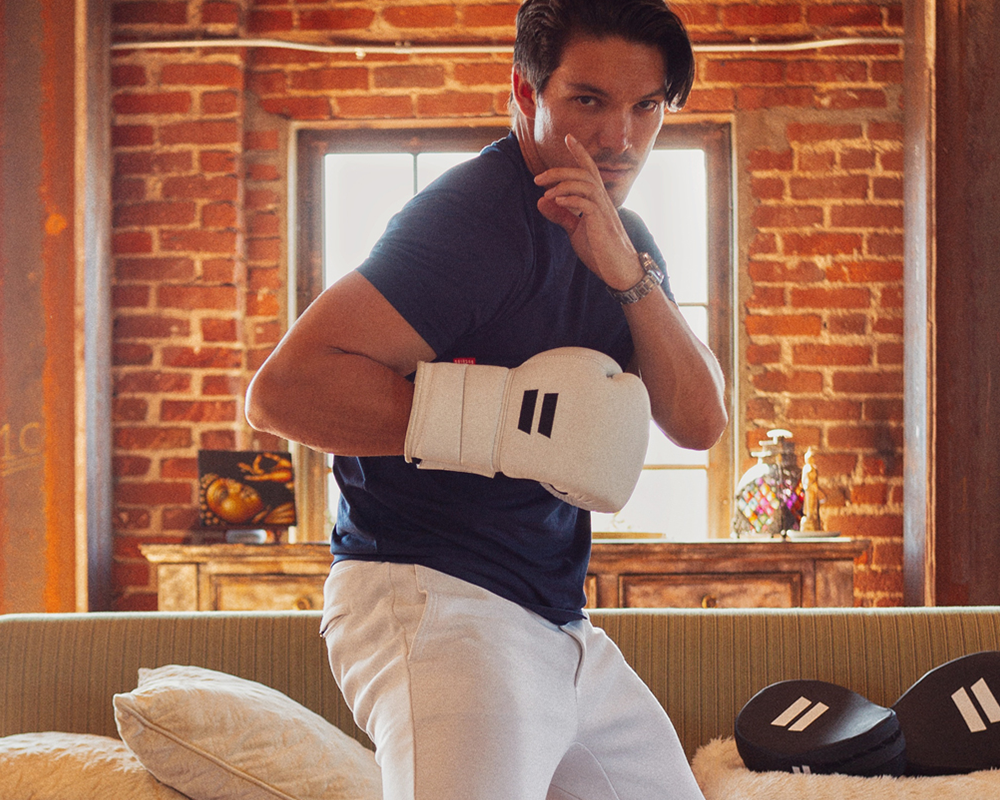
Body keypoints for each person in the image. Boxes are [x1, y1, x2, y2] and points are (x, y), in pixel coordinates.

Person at [245, 0, 727, 797]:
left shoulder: (623, 238)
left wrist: (628, 275)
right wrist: (511, 424)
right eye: (589, 100)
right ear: (526, 93)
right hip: (434, 599)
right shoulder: (473, 220)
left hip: (558, 622)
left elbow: (700, 422)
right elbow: (285, 390)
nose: (620, 137)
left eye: (647, 106)